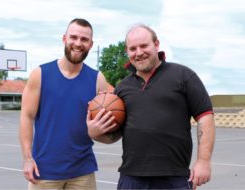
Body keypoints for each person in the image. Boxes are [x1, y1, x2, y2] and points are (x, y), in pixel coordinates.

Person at [87, 24, 215, 190]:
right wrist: (94, 134)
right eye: (132, 48)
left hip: (173, 178)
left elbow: (205, 116)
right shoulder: (122, 88)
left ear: (156, 44)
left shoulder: (183, 76)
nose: (139, 52)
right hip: (131, 179)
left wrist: (203, 161)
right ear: (127, 51)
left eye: (144, 46)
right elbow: (115, 134)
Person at [19, 18, 110, 190]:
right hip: (44, 171)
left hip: (82, 172)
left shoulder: (98, 79)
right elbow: (26, 116)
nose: (78, 43)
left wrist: (99, 133)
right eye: (73, 37)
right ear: (64, 39)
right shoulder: (40, 74)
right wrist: (27, 158)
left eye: (84, 39)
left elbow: (106, 123)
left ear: (91, 44)